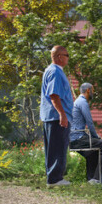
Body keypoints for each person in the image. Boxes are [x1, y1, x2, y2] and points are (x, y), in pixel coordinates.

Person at [70, 82, 102, 185]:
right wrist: (96, 137)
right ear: (88, 90)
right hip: (77, 138)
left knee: (93, 151)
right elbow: (89, 123)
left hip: (74, 138)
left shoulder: (77, 101)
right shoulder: (82, 102)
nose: (93, 93)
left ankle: (92, 179)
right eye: (93, 90)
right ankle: (97, 179)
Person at [40, 44, 73, 187]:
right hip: (56, 117)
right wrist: (62, 114)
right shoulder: (55, 72)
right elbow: (54, 95)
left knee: (53, 148)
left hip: (51, 116)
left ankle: (53, 178)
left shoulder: (50, 70)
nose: (68, 58)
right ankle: (55, 179)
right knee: (58, 147)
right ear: (59, 57)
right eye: (67, 55)